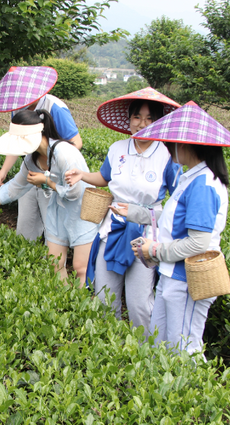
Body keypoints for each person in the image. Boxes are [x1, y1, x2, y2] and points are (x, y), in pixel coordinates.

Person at [128, 101, 230, 355]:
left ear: (190, 144)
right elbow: (173, 221)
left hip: (187, 280)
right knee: (161, 344)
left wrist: (155, 250)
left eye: (173, 142)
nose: (168, 147)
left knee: (184, 350)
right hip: (172, 276)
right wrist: (136, 214)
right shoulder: (189, 176)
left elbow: (198, 243)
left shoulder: (203, 184)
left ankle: (194, 394)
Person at [64, 87, 180, 339]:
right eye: (137, 117)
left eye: (150, 118)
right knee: (104, 295)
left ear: (159, 123)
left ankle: (147, 352)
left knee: (139, 302)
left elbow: (178, 201)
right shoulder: (117, 148)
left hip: (145, 235)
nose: (142, 124)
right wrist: (83, 175)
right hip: (113, 230)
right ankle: (111, 350)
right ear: (129, 119)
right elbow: (104, 177)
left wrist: (143, 214)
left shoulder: (167, 155)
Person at [0, 109, 97, 287]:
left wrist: (46, 181)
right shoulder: (31, 159)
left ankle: (86, 309)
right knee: (55, 264)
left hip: (81, 213)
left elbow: (74, 192)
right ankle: (67, 306)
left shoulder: (64, 153)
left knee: (80, 268)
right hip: (56, 213)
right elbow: (15, 187)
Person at [0, 66, 83, 242]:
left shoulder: (56, 108)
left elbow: (76, 143)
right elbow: (19, 142)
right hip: (31, 169)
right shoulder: (18, 108)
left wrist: (48, 174)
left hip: (53, 176)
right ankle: (29, 261)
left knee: (52, 227)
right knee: (26, 224)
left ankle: (51, 260)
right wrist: (4, 170)